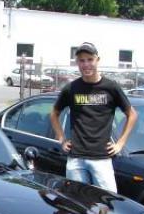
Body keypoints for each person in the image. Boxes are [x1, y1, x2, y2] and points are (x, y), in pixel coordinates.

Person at [50, 42, 137, 193]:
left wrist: (120, 143)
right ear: (77, 63)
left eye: (90, 59)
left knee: (107, 205)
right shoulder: (71, 88)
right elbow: (54, 113)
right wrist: (62, 139)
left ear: (98, 60)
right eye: (82, 60)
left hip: (101, 159)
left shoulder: (111, 87)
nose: (86, 64)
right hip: (76, 159)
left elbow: (132, 114)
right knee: (76, 205)